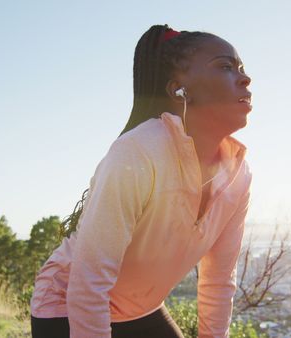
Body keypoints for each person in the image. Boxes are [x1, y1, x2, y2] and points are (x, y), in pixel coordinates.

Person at [30, 24, 253, 338]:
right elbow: (88, 282)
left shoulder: (238, 175)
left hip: (139, 309)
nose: (245, 78)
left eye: (242, 68)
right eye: (226, 67)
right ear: (179, 89)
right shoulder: (139, 151)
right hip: (67, 305)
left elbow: (217, 281)